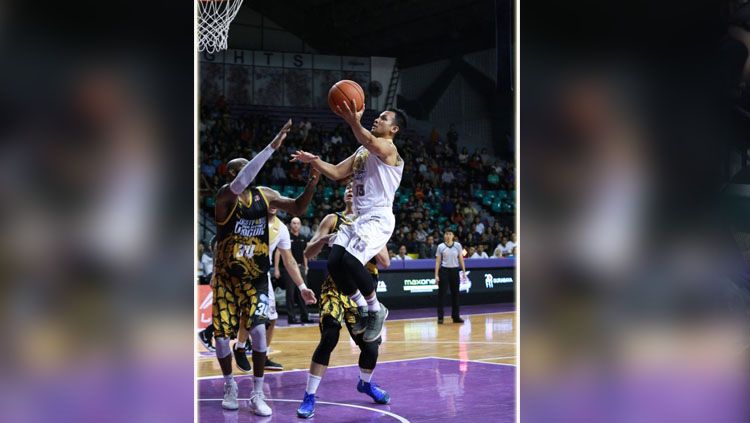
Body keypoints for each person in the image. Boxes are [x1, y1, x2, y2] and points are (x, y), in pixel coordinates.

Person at [211, 120, 320, 416]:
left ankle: (257, 393)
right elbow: (240, 181)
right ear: (234, 175)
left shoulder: (266, 195)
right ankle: (229, 384)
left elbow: (297, 208)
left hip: (256, 277)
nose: (249, 174)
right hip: (226, 277)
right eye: (243, 170)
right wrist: (272, 146)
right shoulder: (225, 196)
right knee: (222, 336)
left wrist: (312, 181)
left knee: (259, 333)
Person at [291, 106, 407, 343]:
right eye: (378, 116)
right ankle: (362, 307)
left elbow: (373, 143)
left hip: (378, 216)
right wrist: (315, 161)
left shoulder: (389, 148)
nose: (377, 119)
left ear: (393, 129)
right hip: (360, 218)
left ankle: (377, 310)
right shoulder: (362, 150)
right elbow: (335, 172)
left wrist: (353, 121)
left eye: (383, 118)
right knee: (334, 262)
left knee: (351, 261)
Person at [296, 183, 391, 419]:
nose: (351, 190)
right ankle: (309, 396)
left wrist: (361, 237)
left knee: (371, 347)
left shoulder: (373, 221)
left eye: (355, 187)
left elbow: (386, 261)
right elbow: (307, 252)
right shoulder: (332, 218)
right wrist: (329, 238)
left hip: (362, 288)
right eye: (347, 188)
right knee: (330, 335)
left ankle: (366, 383)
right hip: (336, 289)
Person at [232, 206, 311, 373]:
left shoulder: (281, 228)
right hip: (242, 271)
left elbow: (288, 260)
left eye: (276, 200)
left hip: (262, 275)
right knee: (250, 314)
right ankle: (239, 348)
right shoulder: (248, 219)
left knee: (272, 317)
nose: (273, 203)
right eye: (269, 200)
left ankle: (263, 355)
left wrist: (302, 286)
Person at [278, 216, 312, 324]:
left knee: (303, 292)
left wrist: (306, 267)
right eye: (293, 223)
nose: (295, 225)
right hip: (289, 269)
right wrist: (277, 269)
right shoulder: (286, 236)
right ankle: (291, 317)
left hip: (301, 267)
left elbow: (305, 253)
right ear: (290, 225)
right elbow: (279, 252)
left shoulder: (303, 237)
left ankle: (304, 316)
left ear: (300, 225)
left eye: (297, 223)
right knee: (290, 294)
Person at [435, 230, 466, 324]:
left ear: (453, 236)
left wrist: (464, 271)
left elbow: (461, 258)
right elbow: (437, 261)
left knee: (456, 294)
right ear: (444, 236)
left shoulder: (458, 245)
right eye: (446, 234)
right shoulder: (440, 246)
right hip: (444, 271)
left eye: (450, 234)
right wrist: (436, 275)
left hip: (455, 271)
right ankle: (440, 317)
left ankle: (455, 316)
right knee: (442, 294)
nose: (448, 236)